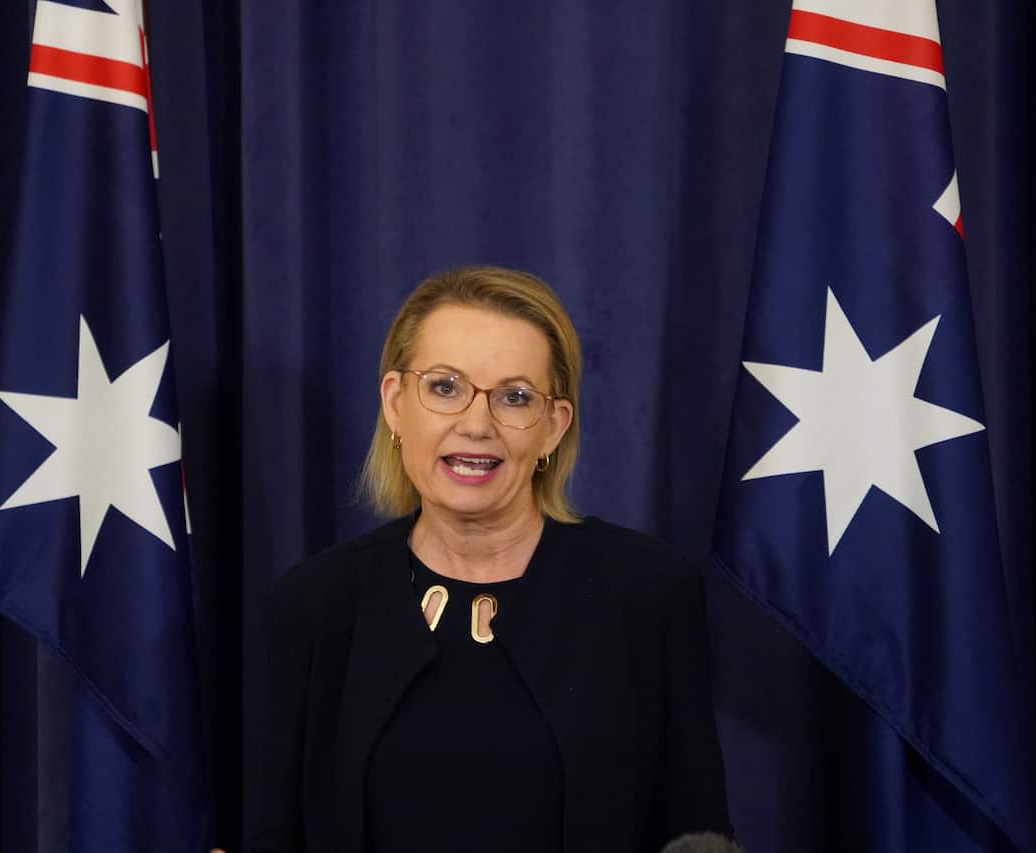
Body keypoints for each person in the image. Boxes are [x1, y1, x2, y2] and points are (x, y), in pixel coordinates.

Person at [248, 266, 732, 853]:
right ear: (397, 403)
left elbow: (697, 838)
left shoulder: (651, 593)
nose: (477, 425)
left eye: (515, 397)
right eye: (445, 387)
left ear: (553, 428)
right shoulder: (316, 604)